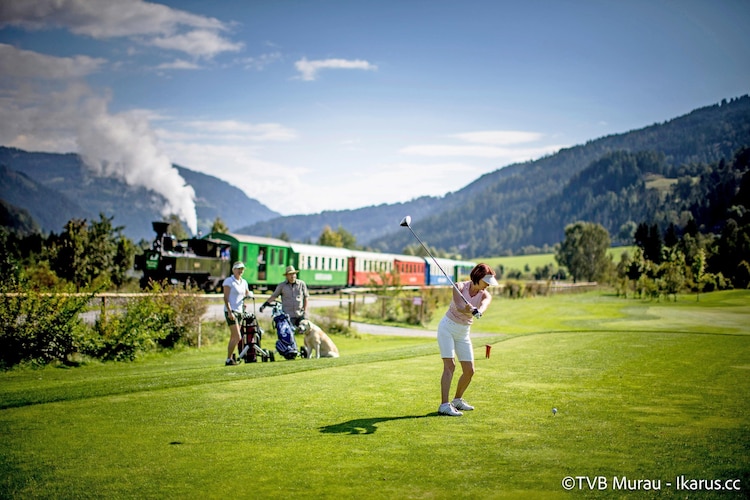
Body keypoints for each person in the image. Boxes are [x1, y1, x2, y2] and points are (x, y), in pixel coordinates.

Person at [437, 263, 498, 416]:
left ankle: (457, 400)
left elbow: (484, 305)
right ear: (477, 277)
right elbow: (458, 306)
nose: (488, 285)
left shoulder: (485, 294)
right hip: (447, 328)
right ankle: (444, 405)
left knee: (469, 371)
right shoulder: (459, 287)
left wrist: (477, 311)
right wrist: (467, 308)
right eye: (486, 282)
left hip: (463, 332)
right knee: (450, 366)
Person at [223, 261, 252, 366]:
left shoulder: (244, 282)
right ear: (234, 270)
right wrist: (230, 311)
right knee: (238, 337)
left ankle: (230, 359)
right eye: (238, 269)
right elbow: (226, 298)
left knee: (233, 337)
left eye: (242, 269)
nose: (240, 271)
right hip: (231, 311)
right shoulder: (229, 281)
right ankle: (228, 359)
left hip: (240, 311)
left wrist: (248, 297)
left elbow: (246, 293)